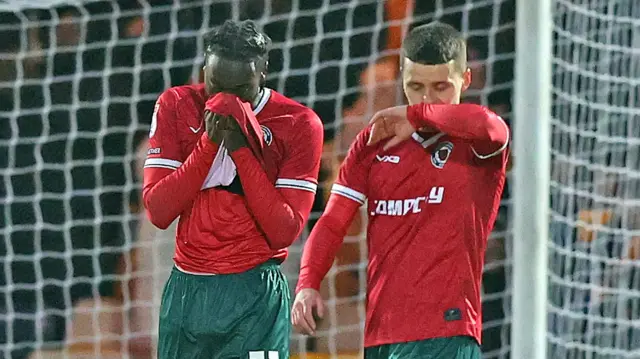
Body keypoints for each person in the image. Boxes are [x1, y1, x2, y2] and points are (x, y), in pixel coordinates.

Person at [292, 22, 509, 358]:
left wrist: (418, 115)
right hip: (380, 335)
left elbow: (495, 127)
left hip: (446, 332)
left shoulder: (474, 142)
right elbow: (334, 220)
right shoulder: (375, 140)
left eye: (440, 86)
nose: (426, 97)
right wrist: (308, 282)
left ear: (465, 80)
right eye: (415, 87)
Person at [142, 20, 323, 359]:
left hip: (254, 296)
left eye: (240, 89)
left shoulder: (298, 124)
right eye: (216, 86)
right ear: (203, 70)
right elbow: (158, 210)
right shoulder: (177, 105)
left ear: (263, 72)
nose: (226, 100)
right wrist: (210, 142)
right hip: (188, 293)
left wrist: (241, 149)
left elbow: (284, 230)